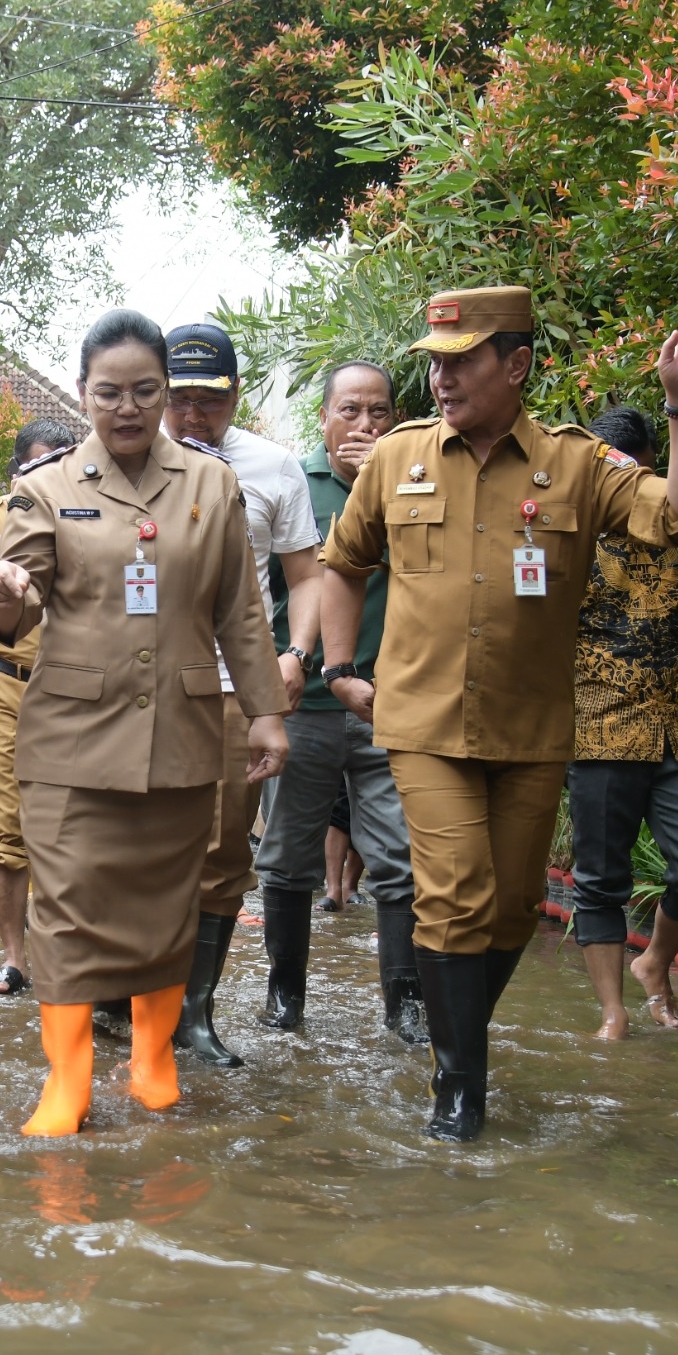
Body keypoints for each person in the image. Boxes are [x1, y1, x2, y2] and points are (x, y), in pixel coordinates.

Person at [320, 287, 678, 1141]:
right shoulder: (398, 459)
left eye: (461, 360)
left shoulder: (576, 464)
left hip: (534, 730)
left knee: (508, 912)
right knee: (457, 896)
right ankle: (461, 1090)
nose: (441, 377)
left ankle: (455, 1036)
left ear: (517, 365)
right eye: (434, 360)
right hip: (424, 724)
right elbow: (345, 560)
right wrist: (339, 667)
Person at [0, 309, 288, 1136]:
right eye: (109, 392)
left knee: (165, 903)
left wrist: (265, 713)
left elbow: (240, 611)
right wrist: (6, 595)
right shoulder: (45, 488)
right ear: (83, 394)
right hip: (72, 738)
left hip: (184, 730)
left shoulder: (210, 482)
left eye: (144, 391)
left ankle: (153, 1058)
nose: (127, 407)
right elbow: (18, 592)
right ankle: (68, 1081)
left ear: (165, 393)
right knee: (70, 904)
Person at [159, 322, 321, 1067]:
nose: (193, 415)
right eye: (180, 398)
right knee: (137, 845)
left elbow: (307, 577)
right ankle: (123, 997)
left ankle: (194, 1014)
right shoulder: (127, 461)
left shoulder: (275, 467)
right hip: (143, 686)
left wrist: (295, 655)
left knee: (224, 850)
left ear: (236, 394)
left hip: (231, 688)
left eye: (210, 400)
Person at [253, 360, 422, 1043]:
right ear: (323, 418)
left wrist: (389, 481)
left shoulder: (419, 481)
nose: (366, 424)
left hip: (392, 704)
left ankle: (403, 1006)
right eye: (350, 411)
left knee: (403, 858)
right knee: (287, 856)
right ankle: (284, 995)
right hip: (306, 704)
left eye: (380, 411)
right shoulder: (294, 483)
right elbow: (272, 588)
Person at [563, 403, 678, 1041]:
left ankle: (655, 962)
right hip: (598, 730)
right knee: (600, 882)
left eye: (636, 475)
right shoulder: (564, 536)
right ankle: (613, 1013)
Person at [0, 417, 82, 994]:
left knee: (73, 828)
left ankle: (63, 954)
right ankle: (14, 958)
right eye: (42, 465)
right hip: (0, 683)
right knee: (6, 827)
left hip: (69, 685)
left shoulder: (89, 510)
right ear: (20, 468)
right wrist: (26, 514)